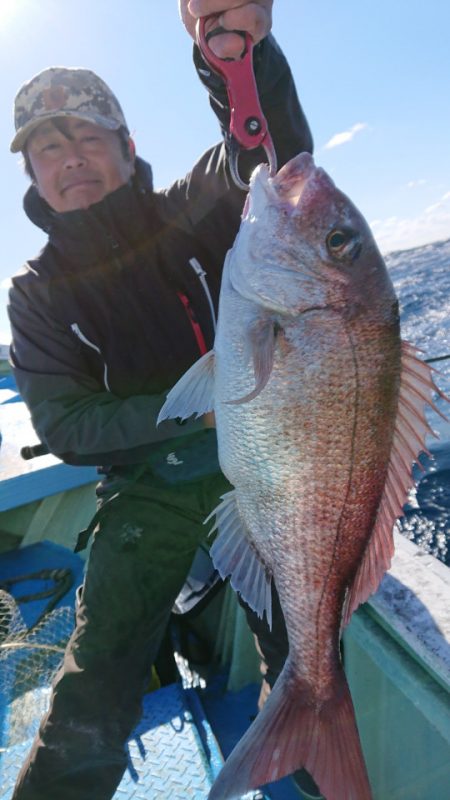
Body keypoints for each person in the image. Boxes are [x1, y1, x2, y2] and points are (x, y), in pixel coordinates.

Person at [7, 2, 319, 798]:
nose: (71, 158)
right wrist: (196, 415)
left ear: (127, 146)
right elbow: (68, 424)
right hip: (147, 486)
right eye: (48, 147)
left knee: (303, 644)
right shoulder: (35, 297)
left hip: (263, 467)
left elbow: (269, 154)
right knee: (98, 676)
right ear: (32, 175)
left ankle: (318, 767)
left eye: (87, 136)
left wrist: (235, 53)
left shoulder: (197, 209)